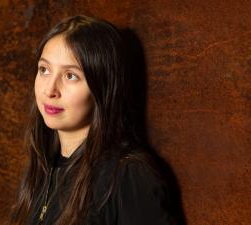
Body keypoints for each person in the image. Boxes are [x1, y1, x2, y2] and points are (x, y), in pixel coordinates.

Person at [10, 15, 178, 225]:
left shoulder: (128, 175)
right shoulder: (44, 164)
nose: (49, 90)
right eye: (44, 70)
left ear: (101, 86)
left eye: (70, 75)